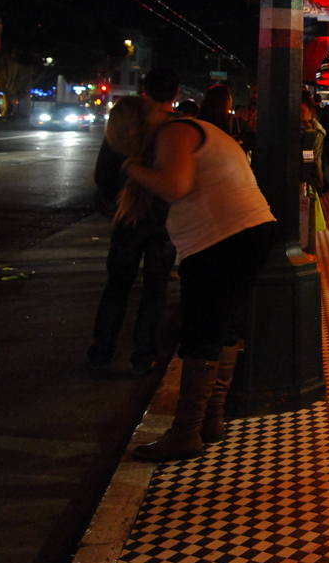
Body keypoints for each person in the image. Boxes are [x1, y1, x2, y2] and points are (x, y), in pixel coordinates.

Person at [107, 96, 276, 462]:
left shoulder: (175, 131)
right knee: (223, 328)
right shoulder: (193, 129)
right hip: (247, 232)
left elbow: (176, 186)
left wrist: (132, 168)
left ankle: (186, 432)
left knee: (201, 332)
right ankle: (211, 419)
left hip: (221, 239)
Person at [88, 68, 180, 377]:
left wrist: (116, 197)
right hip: (164, 218)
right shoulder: (178, 128)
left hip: (128, 216)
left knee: (117, 286)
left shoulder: (128, 121)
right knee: (155, 289)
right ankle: (144, 356)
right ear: (176, 94)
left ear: (145, 91)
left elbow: (103, 174)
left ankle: (101, 352)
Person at [300, 99, 326, 195]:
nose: (299, 114)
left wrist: (318, 178)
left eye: (302, 111)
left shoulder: (316, 131)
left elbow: (314, 157)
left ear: (311, 110)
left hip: (309, 175)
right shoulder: (303, 127)